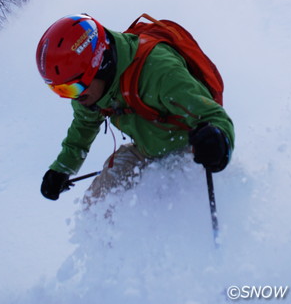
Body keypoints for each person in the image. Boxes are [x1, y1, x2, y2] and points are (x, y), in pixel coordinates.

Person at [35, 14, 234, 205]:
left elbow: (214, 115)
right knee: (98, 203)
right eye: (61, 90)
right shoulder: (88, 92)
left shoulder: (159, 71)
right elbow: (84, 124)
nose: (74, 97)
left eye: (72, 87)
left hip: (188, 149)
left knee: (170, 206)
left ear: (99, 65)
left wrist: (218, 140)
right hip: (146, 150)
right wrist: (62, 169)